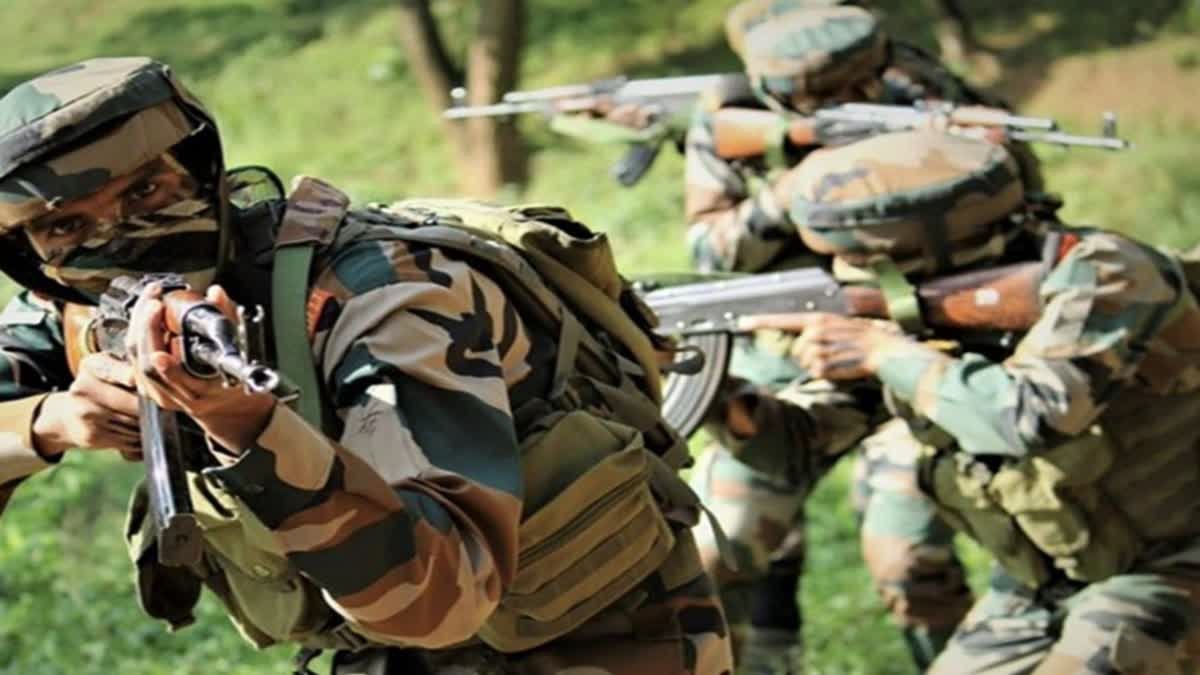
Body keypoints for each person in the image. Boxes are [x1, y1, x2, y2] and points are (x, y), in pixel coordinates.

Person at [0, 57, 733, 675]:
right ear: (31, 257)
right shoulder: (76, 305)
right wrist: (52, 422)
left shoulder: (384, 297)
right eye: (67, 225)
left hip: (600, 642)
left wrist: (248, 428)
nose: (120, 239)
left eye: (147, 191)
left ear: (202, 173)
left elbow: (440, 598)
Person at [730, 127, 1200, 674]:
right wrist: (717, 392)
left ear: (925, 250)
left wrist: (884, 353)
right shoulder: (915, 320)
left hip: (1174, 564)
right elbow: (794, 447)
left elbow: (1030, 414)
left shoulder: (1107, 273)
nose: (846, 278)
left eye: (859, 264)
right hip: (1044, 581)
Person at [680, 3, 1045, 672]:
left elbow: (1019, 223)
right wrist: (790, 188)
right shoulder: (737, 120)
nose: (844, 100)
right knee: (717, 541)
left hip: (935, 351)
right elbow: (711, 249)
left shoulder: (931, 102)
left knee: (906, 555)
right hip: (793, 351)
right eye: (815, 97)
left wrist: (948, 146)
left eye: (858, 85)